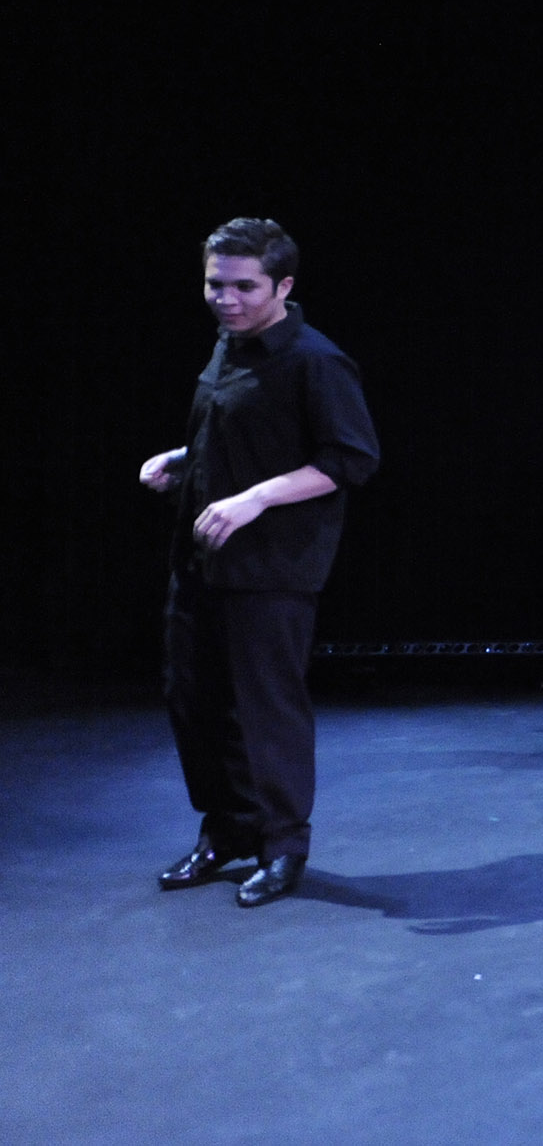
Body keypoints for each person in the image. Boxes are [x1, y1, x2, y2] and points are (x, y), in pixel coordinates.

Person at [139, 219, 380, 908]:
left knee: (266, 709)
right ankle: (227, 828)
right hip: (202, 558)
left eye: (244, 287)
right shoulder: (228, 344)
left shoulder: (314, 360)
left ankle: (283, 847)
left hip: (273, 566)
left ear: (283, 285)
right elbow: (241, 432)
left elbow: (350, 459)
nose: (227, 299)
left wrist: (256, 498)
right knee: (193, 698)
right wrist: (181, 459)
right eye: (215, 284)